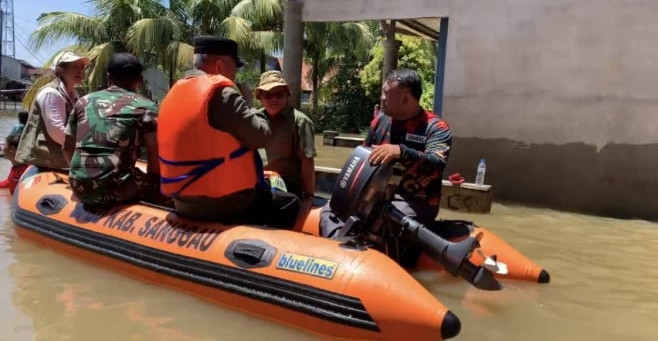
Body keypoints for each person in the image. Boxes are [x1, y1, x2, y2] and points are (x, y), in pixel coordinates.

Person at [157, 36, 301, 228]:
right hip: (226, 203)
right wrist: (248, 103)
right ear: (219, 65)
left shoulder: (173, 94)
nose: (234, 75)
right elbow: (261, 136)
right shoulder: (222, 95)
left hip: (183, 201)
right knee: (290, 202)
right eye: (234, 67)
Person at [320, 68, 453, 244]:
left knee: (381, 222)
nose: (382, 98)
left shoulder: (436, 128)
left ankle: (367, 251)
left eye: (386, 93)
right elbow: (363, 161)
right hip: (375, 196)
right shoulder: (380, 122)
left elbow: (436, 165)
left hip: (414, 202)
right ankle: (340, 251)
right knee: (331, 210)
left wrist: (401, 152)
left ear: (405, 97)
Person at [62, 53, 161, 206]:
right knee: (160, 186)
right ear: (140, 81)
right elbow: (155, 154)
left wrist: (80, 175)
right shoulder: (146, 107)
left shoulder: (83, 101)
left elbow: (67, 146)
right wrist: (156, 186)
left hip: (79, 186)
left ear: (108, 78)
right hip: (118, 189)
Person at [256, 70, 317, 215]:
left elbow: (307, 162)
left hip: (286, 186)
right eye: (268, 95)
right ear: (260, 97)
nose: (273, 99)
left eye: (278, 94)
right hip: (259, 183)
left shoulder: (300, 122)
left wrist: (308, 196)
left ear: (287, 95)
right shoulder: (253, 119)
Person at [16, 51, 89, 169]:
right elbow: (57, 131)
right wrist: (85, 147)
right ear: (60, 70)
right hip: (49, 160)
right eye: (74, 66)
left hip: (59, 159)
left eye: (81, 67)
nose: (80, 71)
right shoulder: (51, 93)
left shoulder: (73, 95)